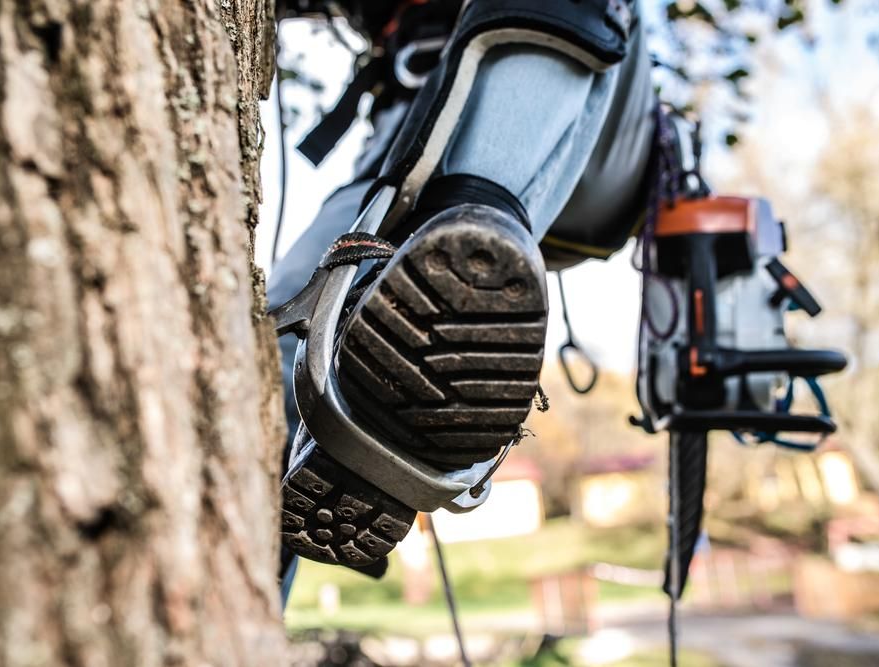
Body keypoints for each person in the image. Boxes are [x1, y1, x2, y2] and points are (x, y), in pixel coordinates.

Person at [270, 0, 657, 594]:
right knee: (275, 367)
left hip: (488, 84)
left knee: (277, 358)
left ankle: (453, 244)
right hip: (528, 115)